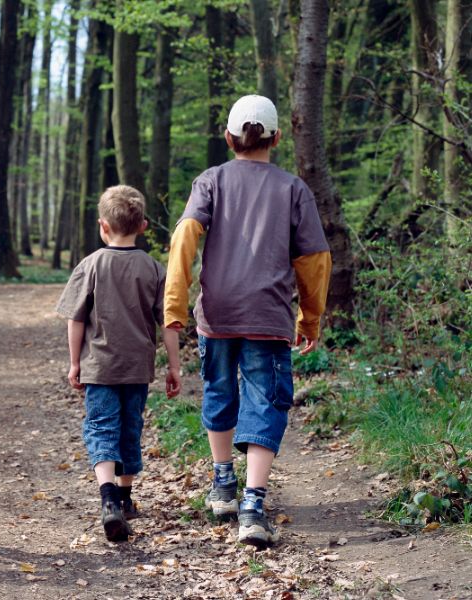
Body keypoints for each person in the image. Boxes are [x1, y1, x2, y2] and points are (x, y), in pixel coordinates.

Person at [164, 95, 331, 547]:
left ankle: (223, 486)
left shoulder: (211, 180)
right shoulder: (292, 188)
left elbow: (184, 238)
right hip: (268, 316)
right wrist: (309, 318)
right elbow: (315, 260)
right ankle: (253, 505)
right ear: (277, 138)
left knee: (220, 391)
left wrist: (175, 306)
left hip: (216, 314)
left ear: (228, 138)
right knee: (267, 402)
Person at [56, 185, 182, 542]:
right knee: (130, 428)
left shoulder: (90, 265)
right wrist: (174, 366)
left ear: (103, 226)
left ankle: (108, 496)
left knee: (101, 427)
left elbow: (76, 319)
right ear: (143, 225)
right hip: (137, 368)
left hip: (99, 366)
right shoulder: (154, 269)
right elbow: (168, 322)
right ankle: (125, 498)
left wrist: (74, 362)